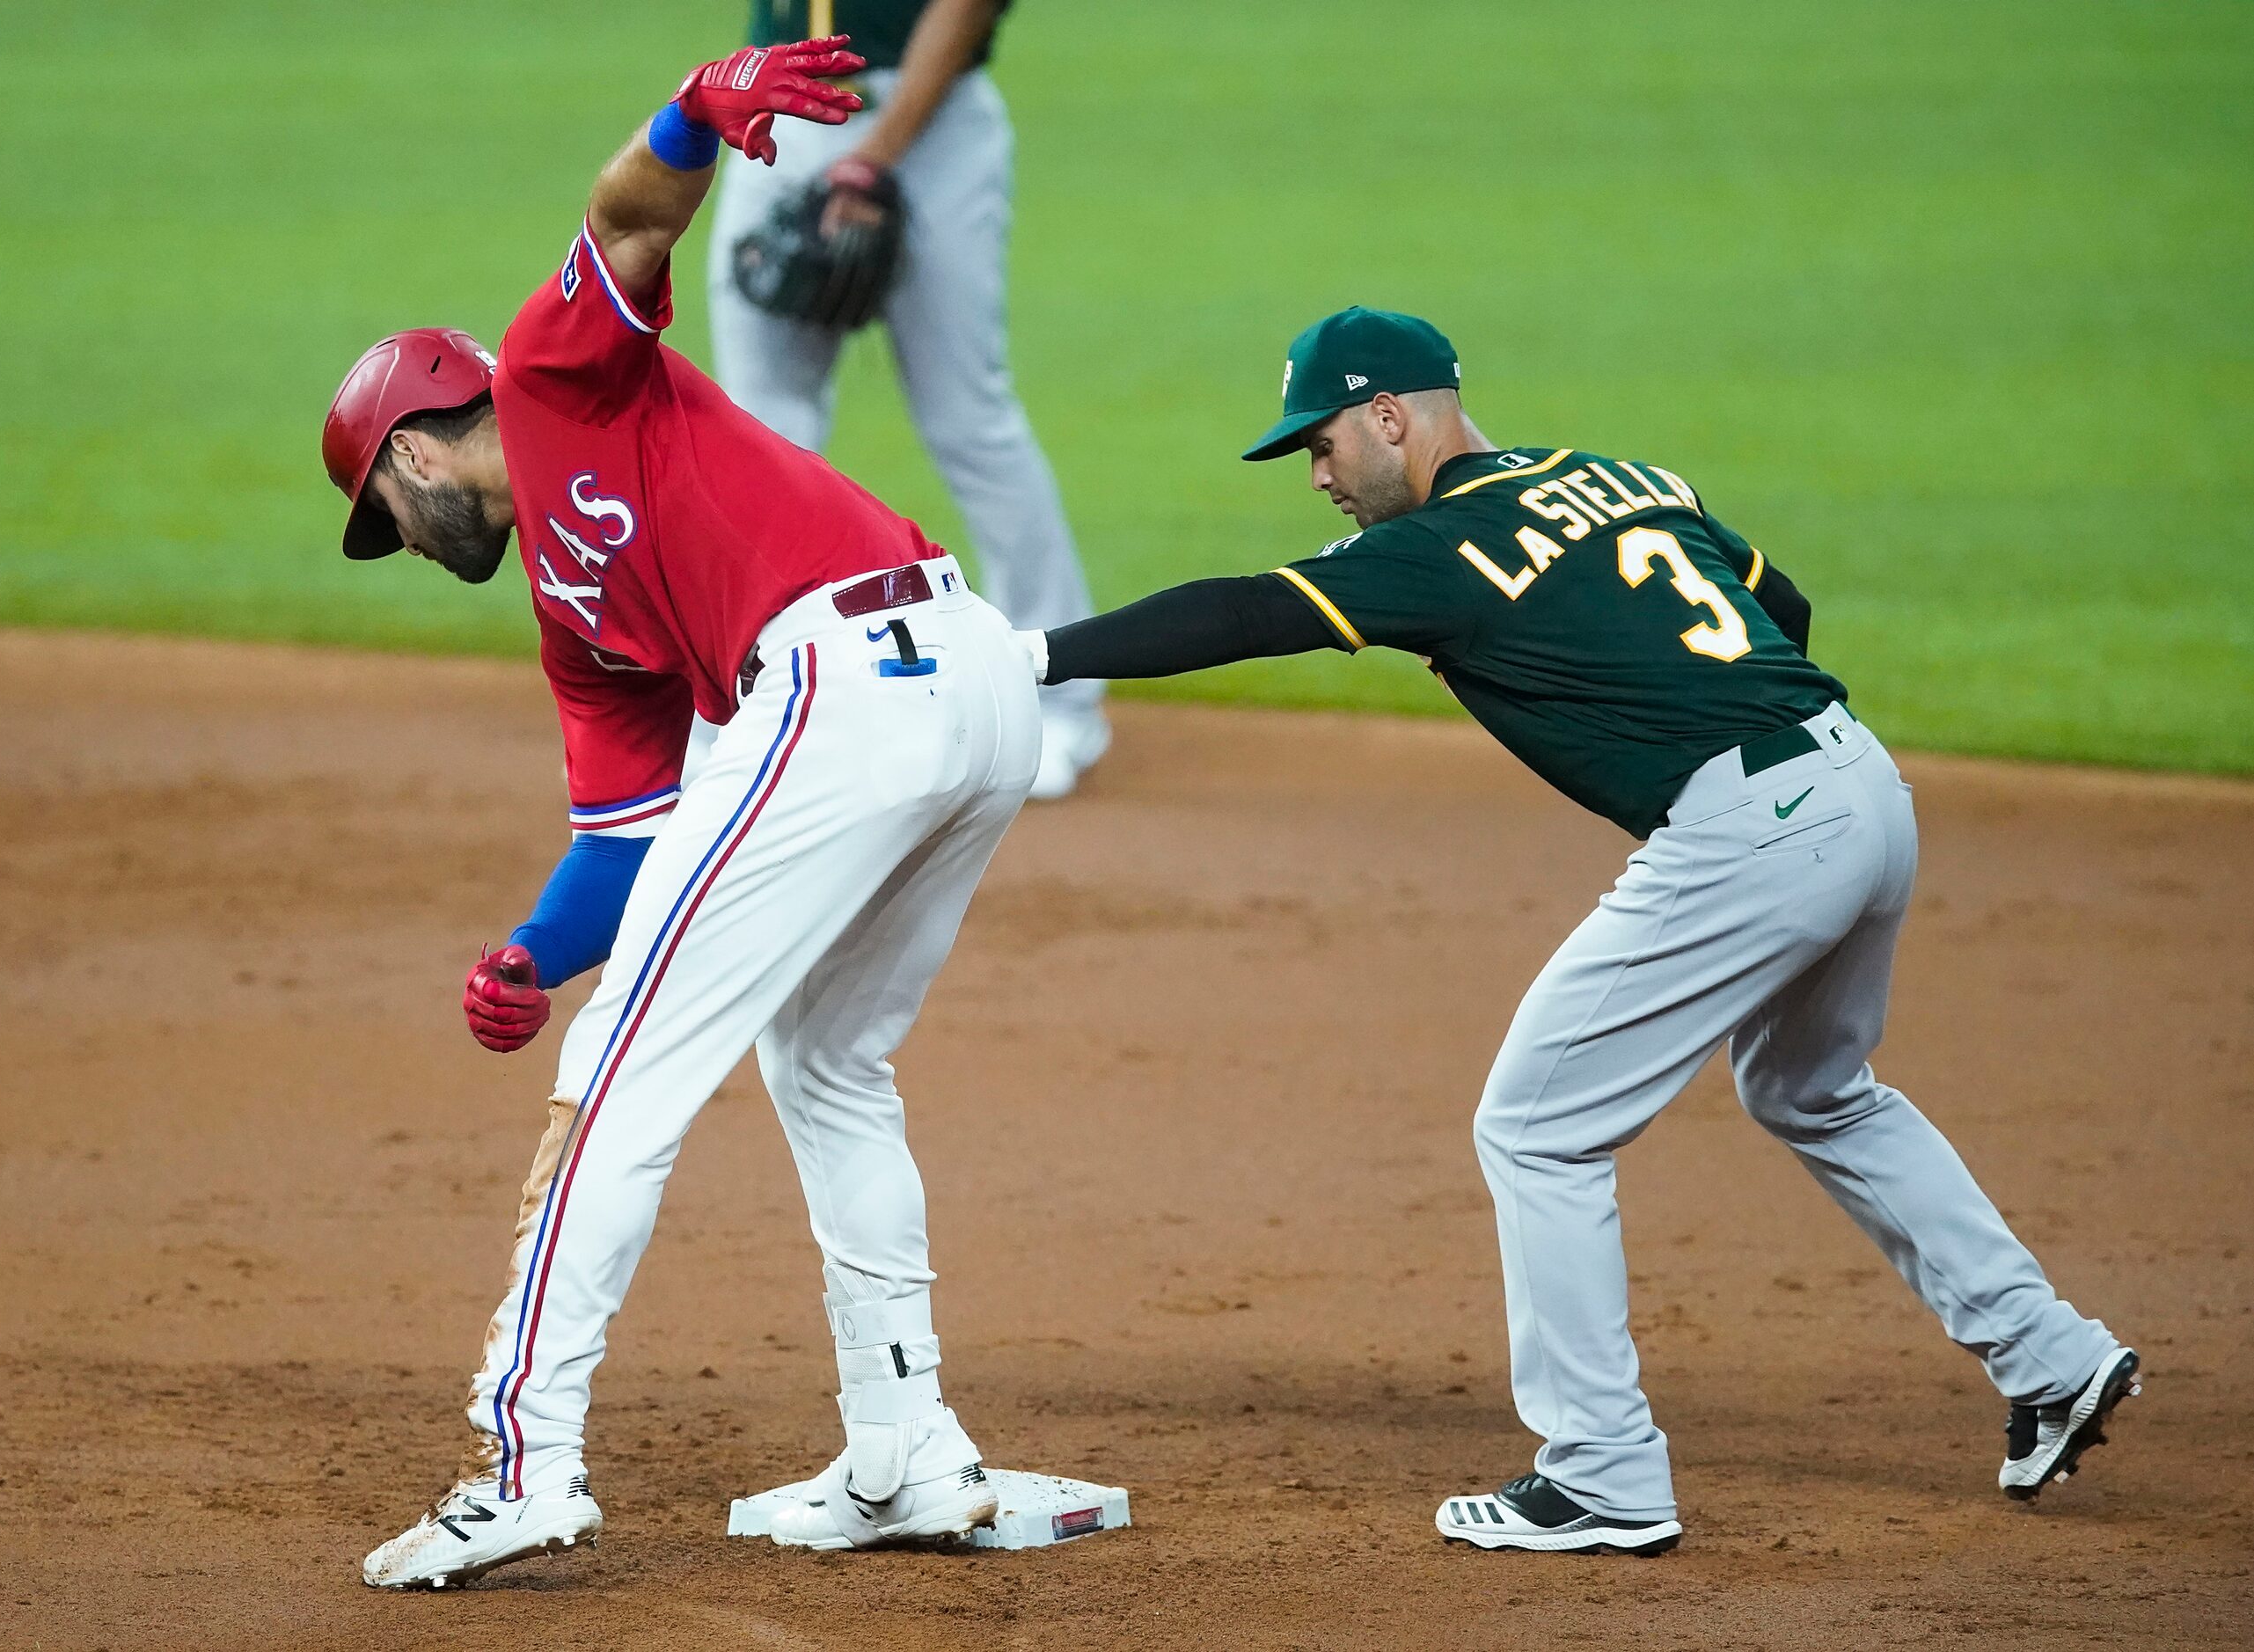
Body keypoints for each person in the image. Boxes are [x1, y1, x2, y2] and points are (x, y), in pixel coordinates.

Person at [1018, 306, 2139, 1554]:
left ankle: (1601, 1468)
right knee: (1815, 1087)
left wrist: (1037, 654)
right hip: (1859, 781)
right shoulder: (1624, 476)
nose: (1319, 475)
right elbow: (1786, 605)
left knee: (1537, 1126)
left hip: (1749, 832)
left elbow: (1240, 613)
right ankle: (2050, 1355)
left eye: (1322, 442)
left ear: (1390, 415)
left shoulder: (1441, 549)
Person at [318, 37, 1040, 1589]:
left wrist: (693, 112)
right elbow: (628, 837)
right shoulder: (580, 631)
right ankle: (906, 1442)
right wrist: (533, 948)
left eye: (384, 505)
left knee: (623, 1073)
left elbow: (628, 214)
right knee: (829, 1054)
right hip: (958, 687)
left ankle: (525, 1462)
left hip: (865, 672)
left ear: (417, 439)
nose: (398, 534)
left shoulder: (556, 368)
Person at [708, 0, 1109, 798]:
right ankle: (750, 700)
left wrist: (871, 158)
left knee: (969, 419)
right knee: (754, 430)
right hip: (776, 112)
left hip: (926, 121)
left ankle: (1062, 703)